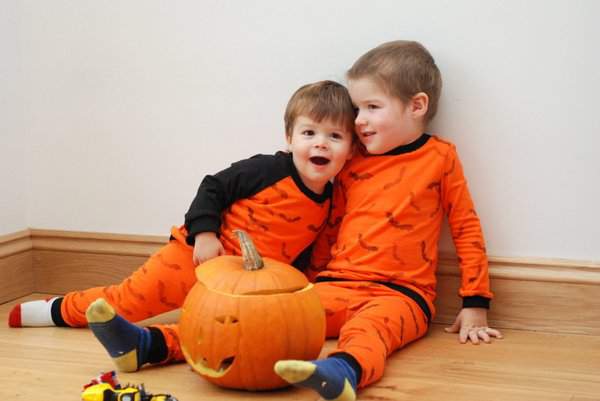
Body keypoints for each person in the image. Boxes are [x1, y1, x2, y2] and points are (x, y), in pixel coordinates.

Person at [8, 80, 356, 372]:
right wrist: (204, 234)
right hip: (197, 255)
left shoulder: (328, 201)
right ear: (289, 138)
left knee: (228, 332)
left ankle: (149, 347)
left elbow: (300, 251)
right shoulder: (266, 170)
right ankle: (55, 310)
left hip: (240, 287)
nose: (320, 143)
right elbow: (212, 187)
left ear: (350, 149)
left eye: (334, 136)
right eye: (309, 132)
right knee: (129, 301)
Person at [273, 41, 503, 401]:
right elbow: (333, 223)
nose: (358, 120)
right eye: (356, 108)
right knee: (274, 317)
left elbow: (465, 226)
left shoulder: (440, 157)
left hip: (403, 296)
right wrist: (310, 281)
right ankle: (166, 342)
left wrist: (475, 302)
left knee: (369, 329)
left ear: (417, 105)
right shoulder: (352, 159)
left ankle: (343, 370)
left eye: (371, 107)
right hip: (337, 282)